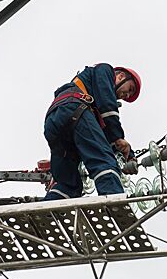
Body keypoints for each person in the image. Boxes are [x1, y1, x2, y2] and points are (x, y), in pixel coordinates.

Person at [43, 63, 142, 200]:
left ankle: (50, 210)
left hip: (54, 122)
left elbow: (101, 136)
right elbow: (108, 108)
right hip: (75, 110)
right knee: (104, 161)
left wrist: (128, 154)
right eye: (130, 89)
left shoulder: (93, 99)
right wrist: (119, 137)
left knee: (68, 183)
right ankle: (114, 201)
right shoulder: (104, 70)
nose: (126, 95)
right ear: (120, 76)